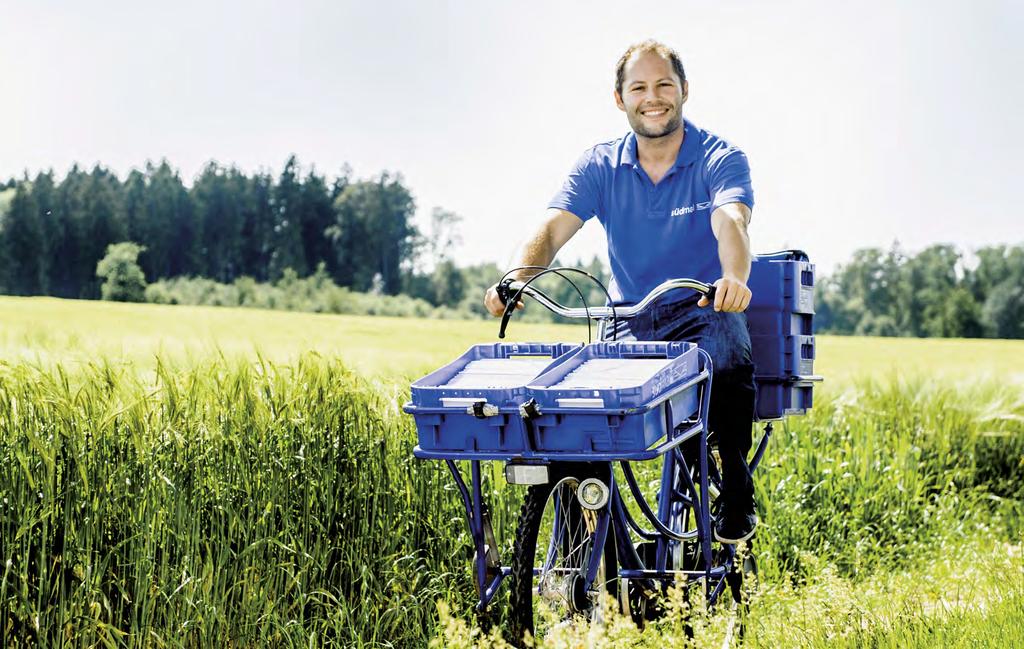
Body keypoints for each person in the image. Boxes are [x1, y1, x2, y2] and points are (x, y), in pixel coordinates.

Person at [483, 39, 758, 543]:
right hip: (626, 317)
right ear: (620, 99)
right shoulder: (599, 166)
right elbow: (552, 228)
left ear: (684, 91)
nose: (652, 97)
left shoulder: (719, 157)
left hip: (702, 307)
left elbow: (731, 219)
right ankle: (594, 550)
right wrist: (519, 276)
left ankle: (733, 485)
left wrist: (733, 279)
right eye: (639, 88)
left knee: (726, 351)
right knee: (580, 412)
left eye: (663, 85)